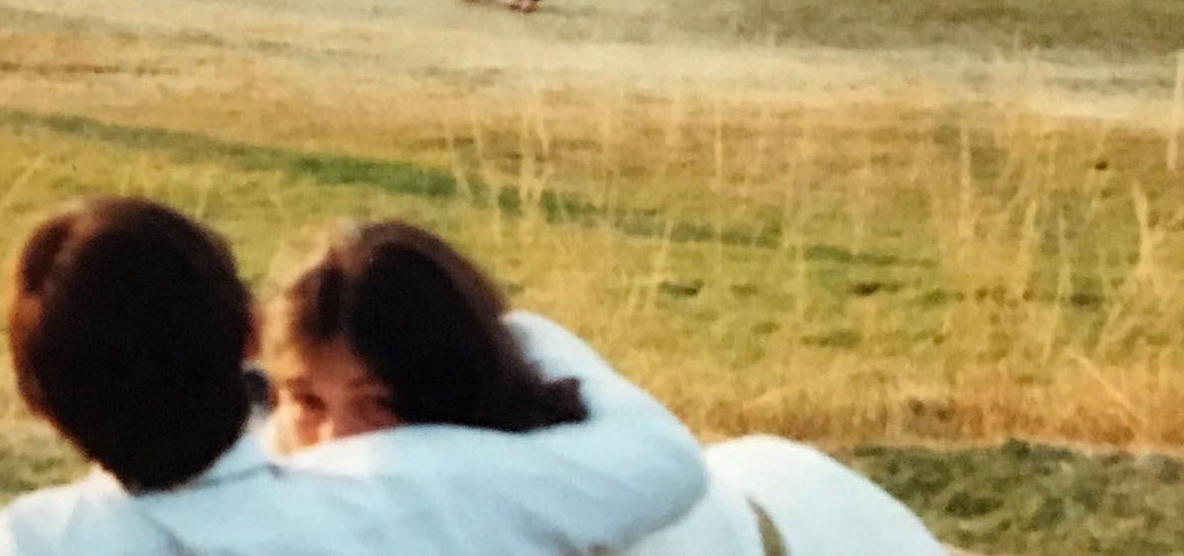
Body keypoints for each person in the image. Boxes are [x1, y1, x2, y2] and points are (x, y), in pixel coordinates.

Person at [0, 196, 710, 556]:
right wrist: (521, 333)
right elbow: (666, 464)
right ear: (254, 335)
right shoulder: (419, 489)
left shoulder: (30, 543)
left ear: (36, 401)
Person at [264, 221, 950, 555]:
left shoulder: (574, 502)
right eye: (310, 403)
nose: (335, 445)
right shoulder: (272, 487)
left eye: (378, 404)